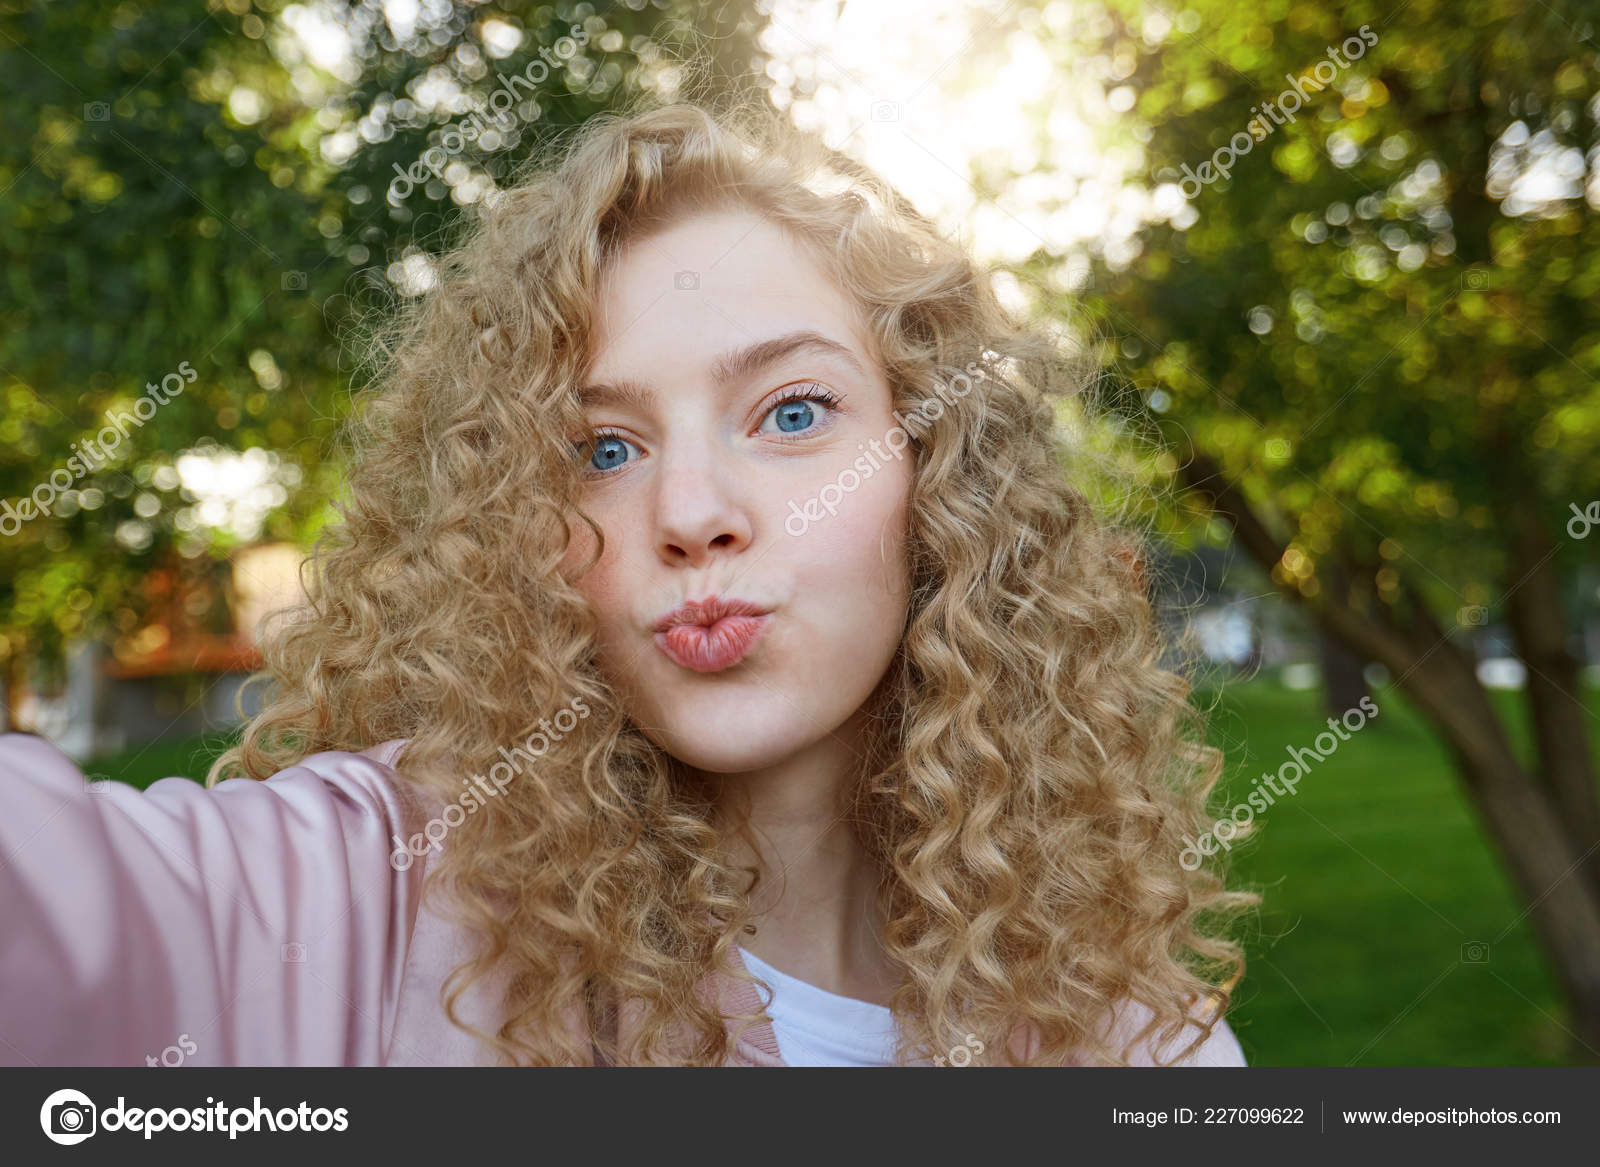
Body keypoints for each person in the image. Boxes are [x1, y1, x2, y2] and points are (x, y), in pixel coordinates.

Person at [0, 103, 1254, 1067]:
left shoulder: (1132, 1035)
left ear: (937, 473)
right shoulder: (355, 905)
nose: (692, 515)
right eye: (602, 449)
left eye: (793, 412)